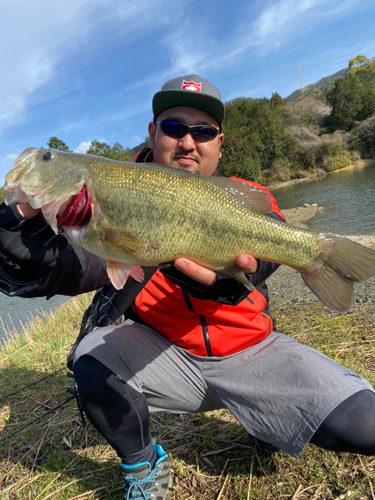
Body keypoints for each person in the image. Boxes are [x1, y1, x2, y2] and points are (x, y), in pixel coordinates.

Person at [0, 74, 374, 500]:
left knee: (365, 425)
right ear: (152, 133)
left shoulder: (247, 194)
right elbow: (70, 268)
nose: (188, 142)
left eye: (203, 132)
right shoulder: (104, 196)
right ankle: (142, 469)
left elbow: (267, 248)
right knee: (91, 357)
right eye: (174, 128)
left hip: (252, 353)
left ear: (220, 143)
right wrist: (19, 252)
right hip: (167, 361)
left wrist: (238, 279)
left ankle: (265, 417)